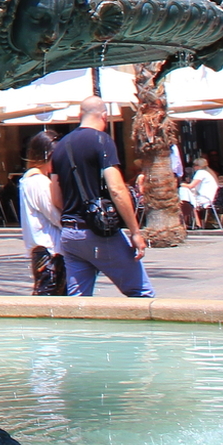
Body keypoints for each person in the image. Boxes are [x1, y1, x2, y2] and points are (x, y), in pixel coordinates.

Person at [50, 96, 153, 298]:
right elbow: (116, 189)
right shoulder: (101, 141)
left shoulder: (60, 146)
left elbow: (55, 197)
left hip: (70, 235)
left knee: (78, 301)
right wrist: (135, 231)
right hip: (99, 234)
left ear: (80, 115)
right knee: (141, 293)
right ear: (104, 116)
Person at [18, 132, 65, 296]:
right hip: (51, 250)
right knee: (49, 298)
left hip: (41, 250)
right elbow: (56, 216)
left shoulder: (27, 181)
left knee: (46, 296)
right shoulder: (39, 182)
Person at [179, 156, 220, 228]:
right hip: (209, 197)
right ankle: (195, 223)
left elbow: (191, 185)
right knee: (187, 198)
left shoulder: (201, 172)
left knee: (184, 197)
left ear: (197, 166)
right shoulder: (209, 172)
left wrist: (181, 184)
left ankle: (190, 222)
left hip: (203, 198)